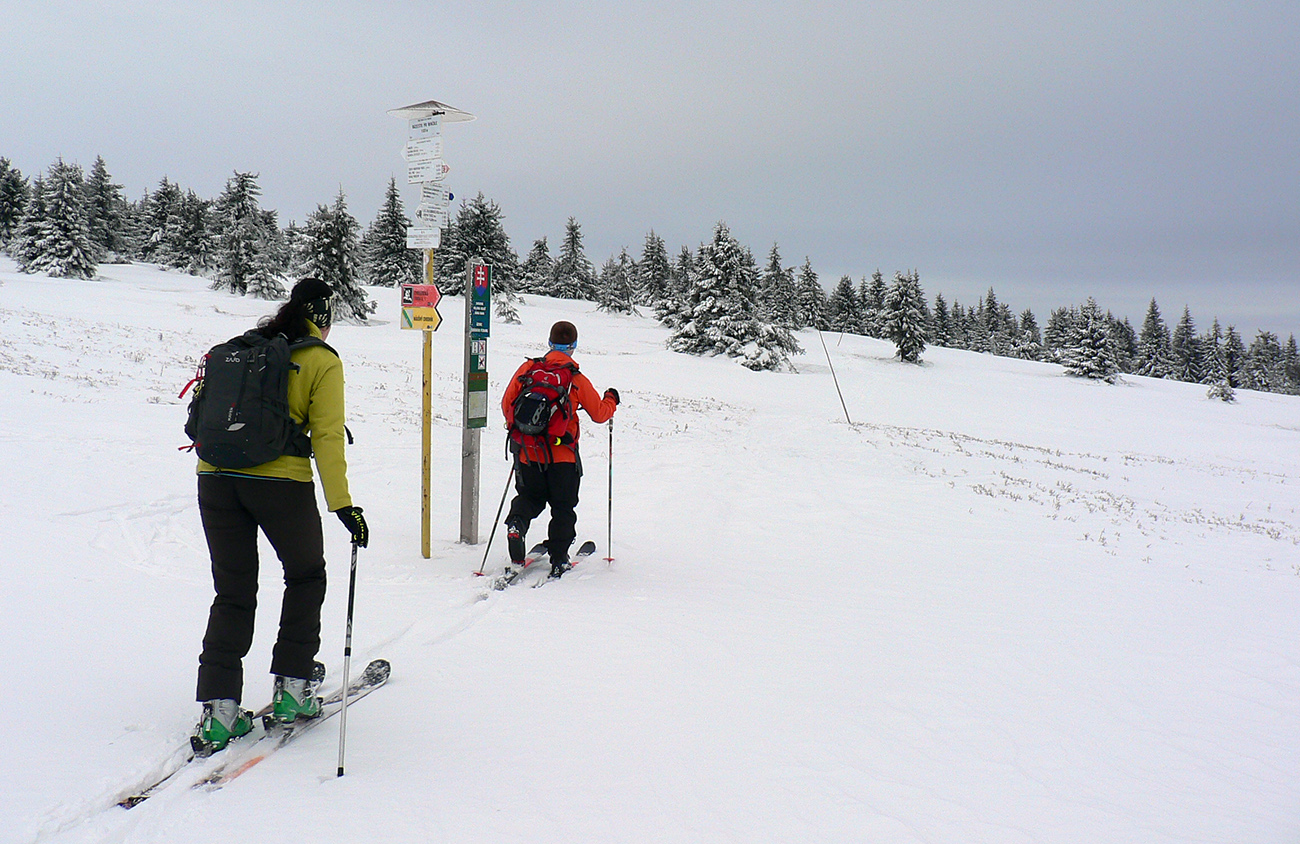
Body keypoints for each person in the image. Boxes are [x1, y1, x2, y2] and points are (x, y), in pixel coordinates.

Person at [192, 277, 369, 751]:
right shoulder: (320, 360)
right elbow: (327, 437)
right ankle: (292, 689)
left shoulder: (243, 349)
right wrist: (343, 505)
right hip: (280, 483)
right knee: (306, 576)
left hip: (215, 477)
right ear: (322, 316)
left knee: (232, 590)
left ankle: (219, 712)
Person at [502, 320, 619, 578]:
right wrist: (611, 399)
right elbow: (599, 414)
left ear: (549, 343)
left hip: (528, 453)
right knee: (563, 506)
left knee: (529, 497)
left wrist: (523, 432)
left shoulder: (528, 369)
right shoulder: (575, 379)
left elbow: (507, 403)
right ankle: (559, 558)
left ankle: (517, 523)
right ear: (573, 346)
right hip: (562, 456)